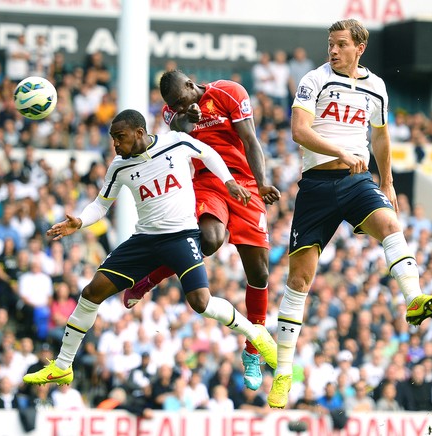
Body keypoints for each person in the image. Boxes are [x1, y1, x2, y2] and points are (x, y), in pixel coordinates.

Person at [22, 110, 276, 386]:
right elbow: (100, 205)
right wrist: (80, 221)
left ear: (139, 133)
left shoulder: (175, 143)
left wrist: (228, 181)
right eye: (113, 139)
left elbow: (208, 154)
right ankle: (62, 366)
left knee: (201, 303)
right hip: (144, 240)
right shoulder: (119, 166)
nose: (116, 144)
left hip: (181, 237)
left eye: (120, 137)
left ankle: (255, 334)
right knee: (91, 291)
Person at [266, 19, 432, 409]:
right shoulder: (314, 80)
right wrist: (340, 152)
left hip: (357, 181)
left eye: (341, 44)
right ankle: (282, 372)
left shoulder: (376, 86)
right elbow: (298, 129)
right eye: (330, 43)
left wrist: (389, 182)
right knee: (299, 279)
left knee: (390, 224)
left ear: (359, 47)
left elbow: (380, 136)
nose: (333, 50)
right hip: (315, 186)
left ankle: (413, 298)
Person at [122, 69, 281, 391]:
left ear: (192, 85)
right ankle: (150, 279)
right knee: (208, 241)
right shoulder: (175, 111)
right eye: (174, 105)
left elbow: (250, 139)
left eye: (182, 101)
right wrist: (187, 119)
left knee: (260, 275)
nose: (178, 108)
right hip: (207, 183)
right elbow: (179, 131)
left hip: (246, 184)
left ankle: (252, 352)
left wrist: (262, 184)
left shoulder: (230, 93)